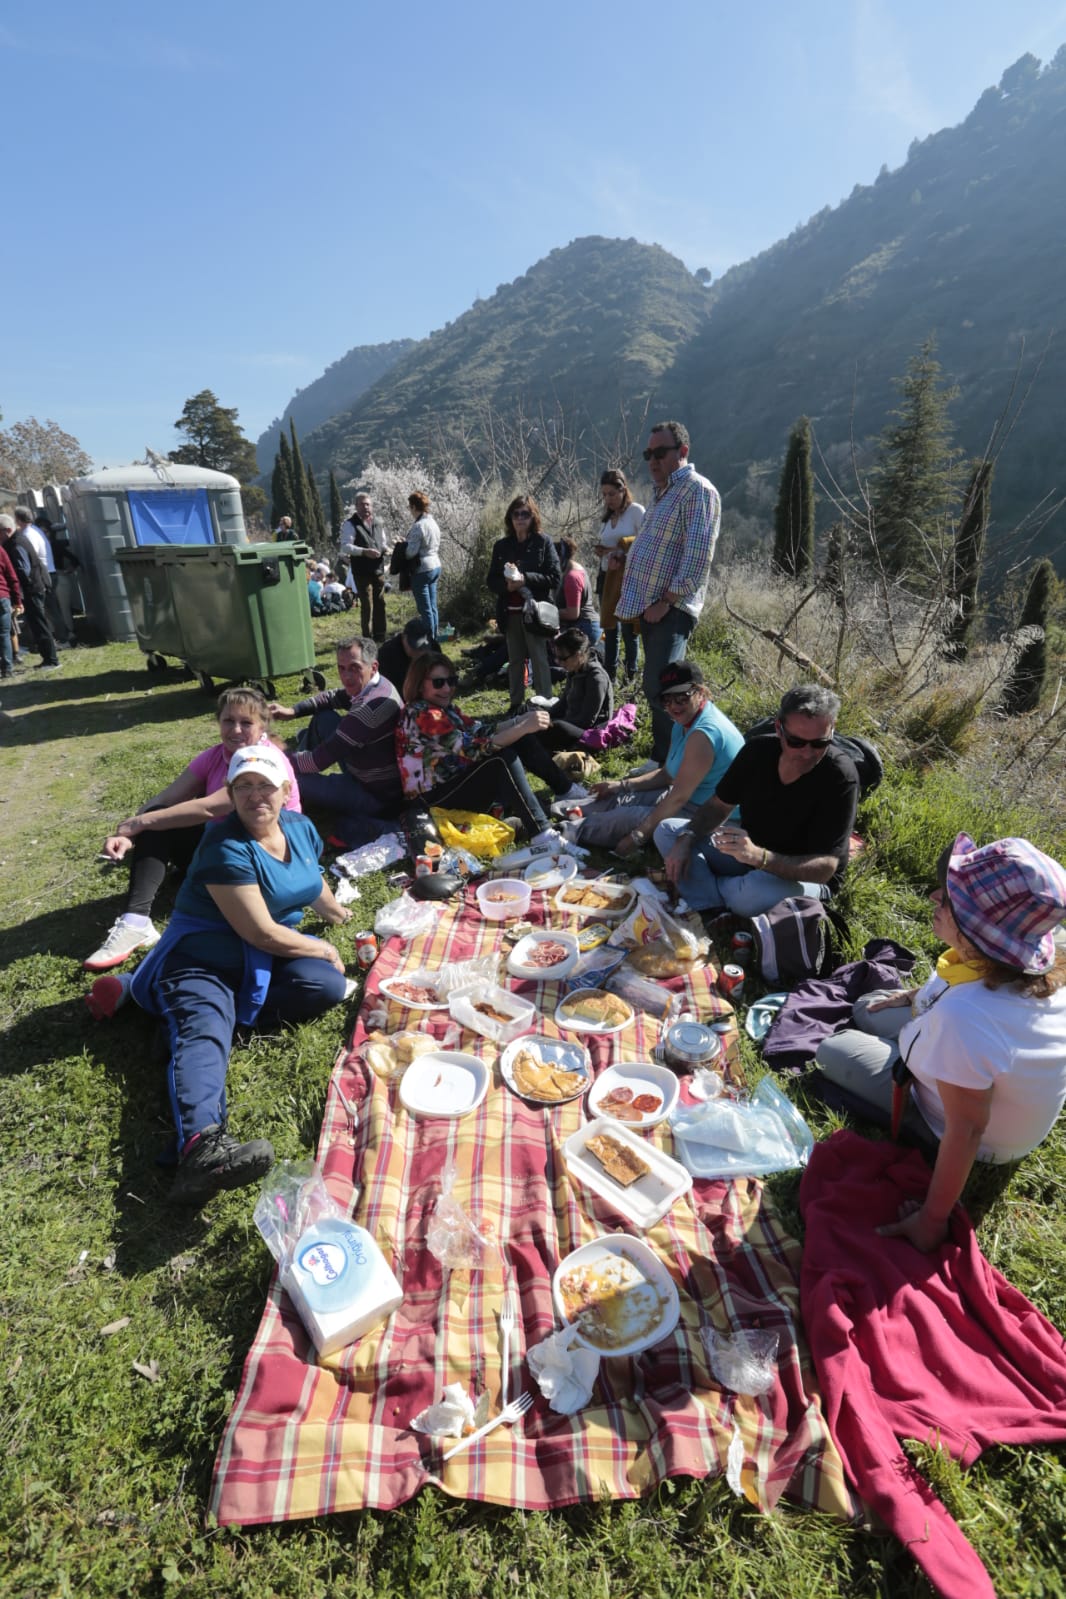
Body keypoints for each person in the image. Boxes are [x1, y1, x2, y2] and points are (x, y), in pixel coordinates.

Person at [88, 745, 354, 1206]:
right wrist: (321, 945)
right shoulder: (223, 846)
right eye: (243, 787)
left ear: (286, 790)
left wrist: (337, 916)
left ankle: (179, 1015)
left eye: (265, 785)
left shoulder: (300, 827)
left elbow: (313, 879)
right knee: (206, 1029)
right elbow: (263, 933)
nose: (256, 796)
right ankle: (202, 1145)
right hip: (200, 960)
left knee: (325, 985)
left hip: (256, 962)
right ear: (229, 794)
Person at [816, 833, 1066, 1253]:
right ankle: (900, 1031)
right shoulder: (1036, 958)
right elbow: (958, 986)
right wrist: (910, 996)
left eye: (949, 900)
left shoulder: (966, 1019)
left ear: (974, 935)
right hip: (979, 1074)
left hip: (970, 1134)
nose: (934, 896)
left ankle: (897, 1069)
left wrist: (931, 1220)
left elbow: (967, 1129)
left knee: (832, 1049)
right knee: (868, 1006)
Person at [85, 687, 301, 971]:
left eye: (246, 723)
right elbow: (166, 798)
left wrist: (137, 824)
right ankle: (136, 922)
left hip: (267, 862)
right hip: (227, 850)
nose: (235, 730)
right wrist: (126, 833)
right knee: (156, 820)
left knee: (155, 822)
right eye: (228, 721)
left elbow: (212, 807)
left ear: (262, 726)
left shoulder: (263, 760)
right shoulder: (215, 756)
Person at [662, 684, 859, 915]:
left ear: (832, 731)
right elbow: (718, 806)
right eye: (796, 742)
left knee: (751, 894)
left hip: (802, 876)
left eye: (819, 743)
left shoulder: (840, 777)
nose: (807, 753)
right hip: (750, 855)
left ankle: (708, 893)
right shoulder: (757, 751)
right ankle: (716, 903)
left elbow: (825, 868)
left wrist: (760, 858)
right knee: (668, 831)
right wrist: (687, 837)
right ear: (779, 729)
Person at [615, 422, 720, 762]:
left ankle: (672, 761)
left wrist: (666, 601)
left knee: (666, 690)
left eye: (660, 453)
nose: (653, 460)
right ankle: (669, 758)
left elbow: (698, 556)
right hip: (652, 609)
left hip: (670, 609)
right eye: (649, 454)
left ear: (682, 452)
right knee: (660, 687)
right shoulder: (664, 492)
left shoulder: (697, 490)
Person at [577, 662, 743, 852]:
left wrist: (637, 836)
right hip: (689, 801)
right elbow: (667, 775)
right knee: (625, 797)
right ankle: (571, 810)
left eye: (681, 698)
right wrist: (621, 785)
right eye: (667, 700)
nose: (673, 706)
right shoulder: (685, 721)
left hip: (712, 817)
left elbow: (678, 798)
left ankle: (568, 831)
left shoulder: (704, 734)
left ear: (700, 692)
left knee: (632, 817)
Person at [396, 652, 557, 837]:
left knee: (519, 738)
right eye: (439, 683)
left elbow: (477, 729)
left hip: (451, 784)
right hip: (430, 801)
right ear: (419, 684)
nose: (447, 689)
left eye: (452, 681)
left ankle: (564, 791)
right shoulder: (422, 714)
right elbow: (473, 748)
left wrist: (519, 722)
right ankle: (542, 833)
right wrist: (522, 727)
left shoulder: (444, 708)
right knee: (502, 760)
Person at [276, 637, 403, 841]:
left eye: (354, 668)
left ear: (373, 666)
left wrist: (274, 759)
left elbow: (317, 761)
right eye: (341, 668)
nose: (346, 676)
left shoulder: (368, 710)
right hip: (368, 766)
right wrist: (293, 710)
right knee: (324, 717)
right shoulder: (379, 684)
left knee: (287, 779)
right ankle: (296, 769)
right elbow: (333, 697)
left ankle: (293, 789)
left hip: (376, 796)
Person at [486, 495, 562, 712]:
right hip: (509, 612)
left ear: (533, 517)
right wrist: (506, 586)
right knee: (515, 660)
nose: (520, 518)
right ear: (510, 518)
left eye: (525, 514)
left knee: (539, 658)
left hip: (535, 612)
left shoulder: (543, 542)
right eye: (516, 514)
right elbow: (491, 580)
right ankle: (515, 703)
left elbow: (555, 577)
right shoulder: (501, 546)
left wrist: (525, 578)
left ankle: (545, 702)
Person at [594, 469, 644, 682]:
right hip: (606, 576)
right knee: (609, 627)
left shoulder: (636, 512)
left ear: (623, 490)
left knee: (628, 630)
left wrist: (621, 551)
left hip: (627, 579)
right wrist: (603, 551)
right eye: (604, 495)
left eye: (612, 494)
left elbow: (644, 543)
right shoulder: (607, 517)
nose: (608, 499)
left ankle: (631, 675)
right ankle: (610, 675)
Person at [3, 509, 59, 670]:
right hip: (35, 586)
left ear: (7, 530)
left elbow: (23, 569)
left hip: (32, 588)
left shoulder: (16, 543)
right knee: (37, 624)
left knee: (40, 624)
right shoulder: (19, 539)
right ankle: (47, 658)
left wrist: (18, 590)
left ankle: (51, 660)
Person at [340, 493, 387, 641]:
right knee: (367, 605)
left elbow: (383, 542)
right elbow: (346, 546)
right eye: (362, 504)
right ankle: (367, 637)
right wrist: (364, 552)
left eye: (367, 504)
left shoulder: (378, 522)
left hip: (378, 568)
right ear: (356, 506)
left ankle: (380, 635)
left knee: (380, 602)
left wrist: (388, 549)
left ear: (371, 506)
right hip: (361, 570)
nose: (365, 507)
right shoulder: (350, 524)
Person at [404, 491, 442, 642]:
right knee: (433, 607)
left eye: (410, 507)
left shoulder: (418, 526)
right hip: (436, 565)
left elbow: (411, 553)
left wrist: (401, 547)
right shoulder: (433, 522)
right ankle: (435, 637)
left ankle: (429, 641)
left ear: (413, 506)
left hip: (422, 569)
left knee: (425, 609)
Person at [555, 536, 601, 649]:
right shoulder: (573, 569)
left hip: (585, 627)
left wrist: (548, 611)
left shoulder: (572, 577)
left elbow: (572, 613)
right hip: (583, 624)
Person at [375, 615, 433, 693]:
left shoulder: (434, 648)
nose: (419, 652)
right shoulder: (387, 654)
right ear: (403, 637)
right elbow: (386, 688)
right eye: (415, 647)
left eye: (423, 647)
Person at [0, 532, 23, 680]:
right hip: (2, 597)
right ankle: (7, 669)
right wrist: (17, 601)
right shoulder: (1, 551)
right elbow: (12, 576)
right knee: (4, 634)